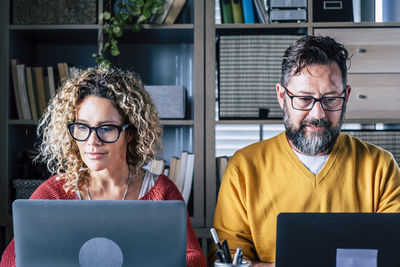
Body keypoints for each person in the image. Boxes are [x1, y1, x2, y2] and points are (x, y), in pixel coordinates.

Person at [210, 35, 400, 266]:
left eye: (330, 99)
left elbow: (391, 255)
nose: (317, 114)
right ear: (282, 97)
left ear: (346, 96)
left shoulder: (380, 166)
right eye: (303, 99)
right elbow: (229, 259)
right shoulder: (244, 167)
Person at [1, 65, 207, 267]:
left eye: (106, 128)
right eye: (82, 127)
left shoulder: (161, 192)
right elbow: (10, 260)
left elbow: (194, 259)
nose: (92, 141)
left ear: (131, 133)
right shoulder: (54, 193)